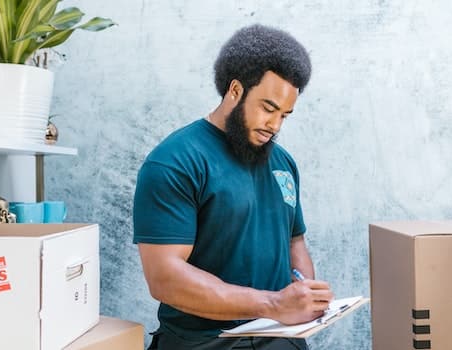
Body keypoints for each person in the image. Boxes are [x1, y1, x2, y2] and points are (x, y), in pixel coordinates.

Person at [133, 24, 333, 350]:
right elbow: (164, 278)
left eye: (285, 115)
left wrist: (306, 291)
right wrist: (273, 304)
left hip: (281, 339)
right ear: (235, 91)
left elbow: (295, 242)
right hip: (204, 344)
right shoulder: (174, 161)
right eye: (268, 108)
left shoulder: (284, 163)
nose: (275, 125)